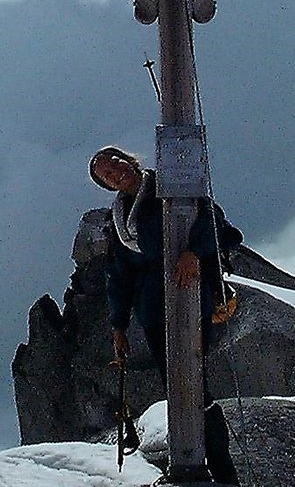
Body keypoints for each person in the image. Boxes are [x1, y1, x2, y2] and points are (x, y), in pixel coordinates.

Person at [89, 145, 242, 380]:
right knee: (172, 377)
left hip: (192, 287)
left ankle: (207, 406)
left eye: (116, 162)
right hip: (151, 307)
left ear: (129, 159)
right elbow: (120, 275)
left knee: (193, 373)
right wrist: (119, 326)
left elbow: (212, 219)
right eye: (107, 175)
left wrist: (194, 253)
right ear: (107, 185)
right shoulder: (118, 220)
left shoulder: (171, 186)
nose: (115, 172)